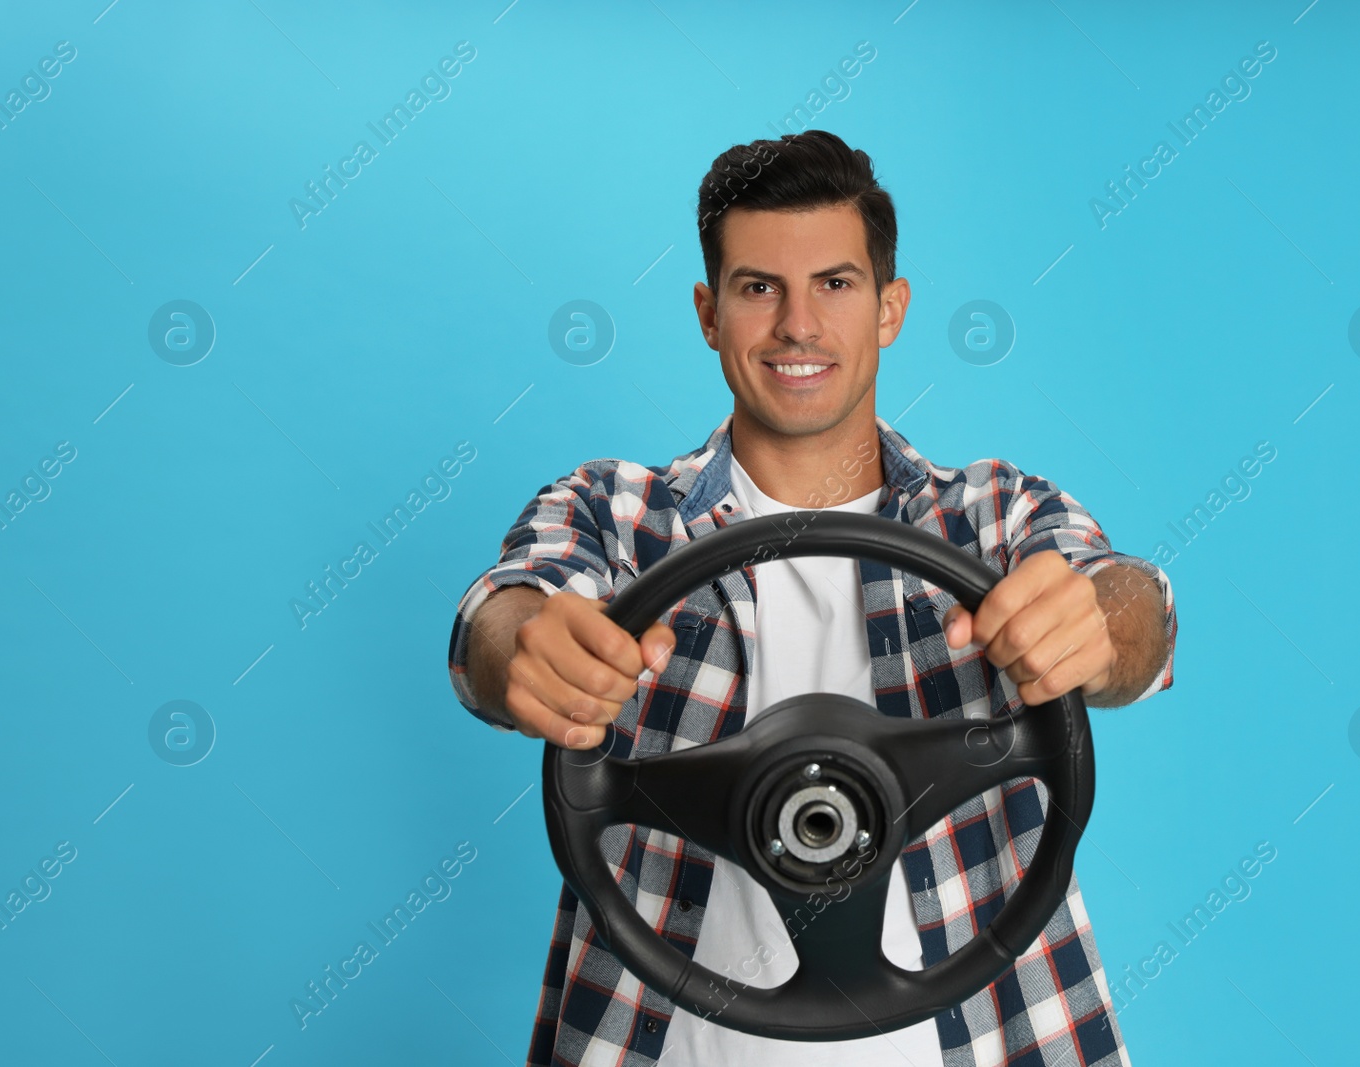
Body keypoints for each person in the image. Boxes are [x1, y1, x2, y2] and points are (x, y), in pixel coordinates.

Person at [446, 129, 1176, 1067]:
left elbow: (1132, 607)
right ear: (709, 313)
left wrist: (1103, 626)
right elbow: (501, 615)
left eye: (834, 283)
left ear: (890, 308)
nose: (798, 325)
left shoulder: (994, 516)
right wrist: (523, 650)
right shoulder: (616, 515)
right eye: (759, 288)